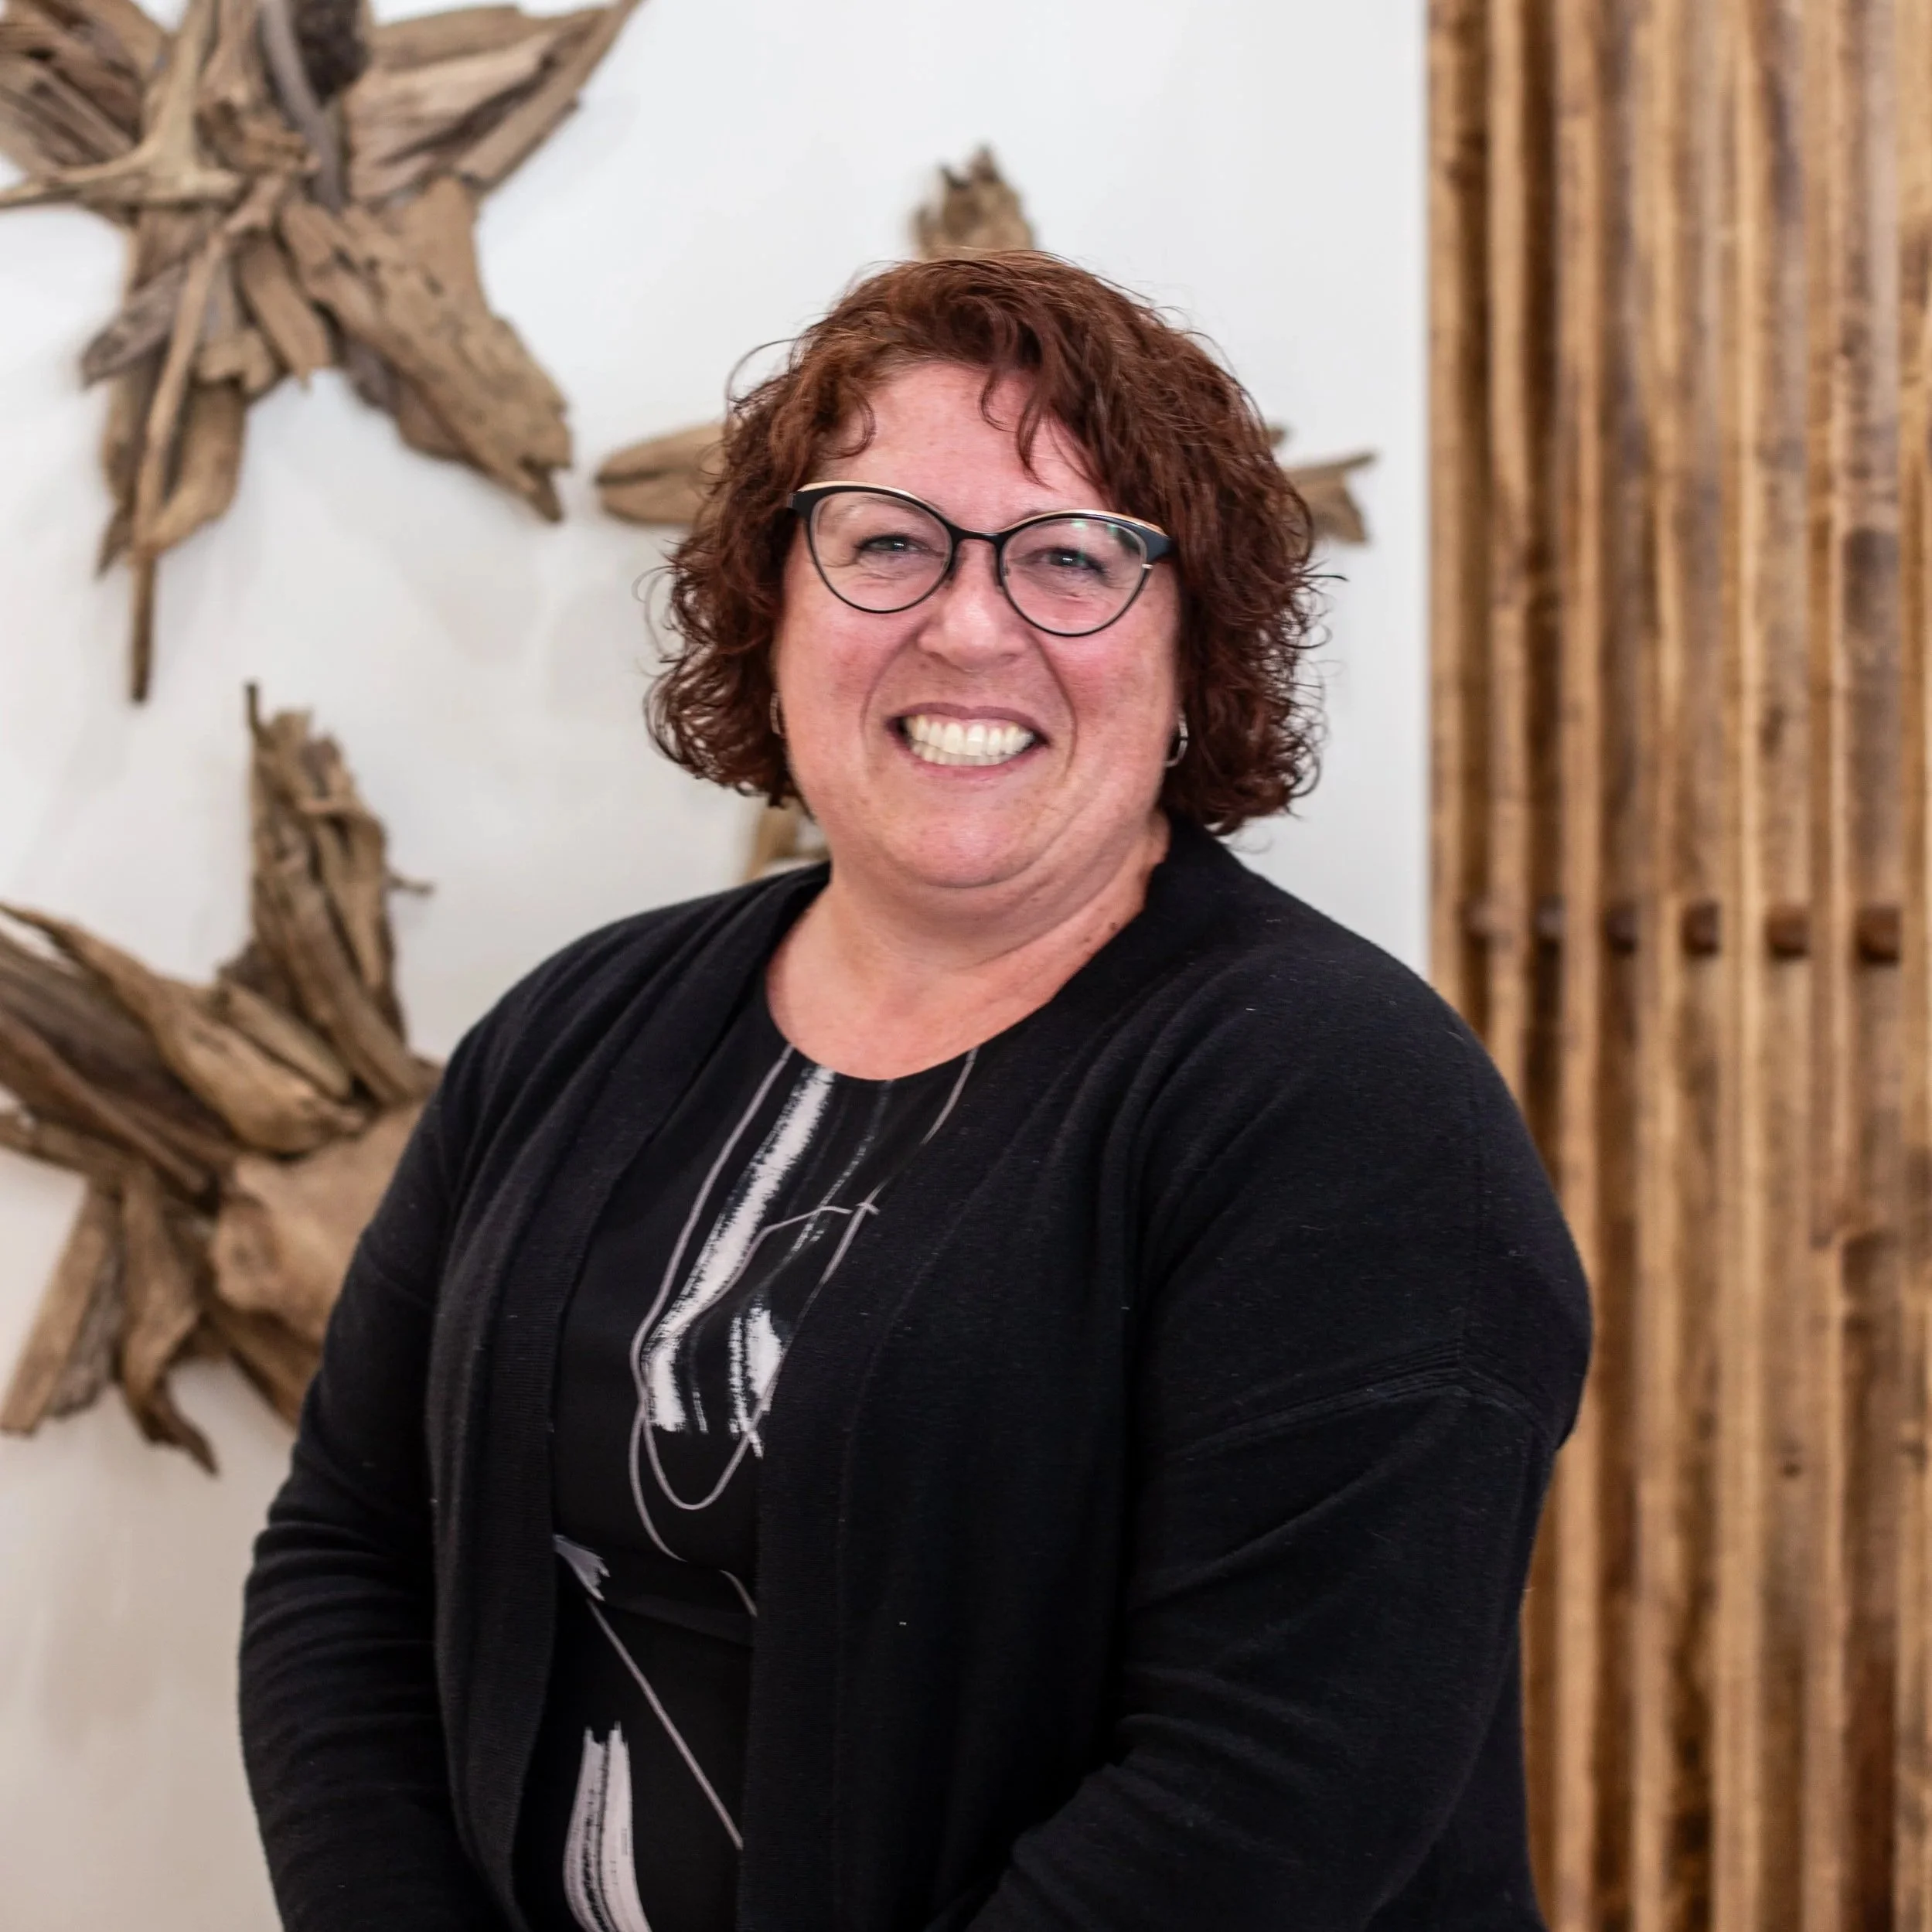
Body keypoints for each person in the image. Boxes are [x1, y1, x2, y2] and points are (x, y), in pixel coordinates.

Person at [240, 252, 1589, 1932]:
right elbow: (349, 1554)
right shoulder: (576, 1030)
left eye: (1072, 559)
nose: (968, 622)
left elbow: (1277, 1780)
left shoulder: (1350, 1111)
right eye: (885, 543)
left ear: (1194, 654)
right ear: (773, 604)